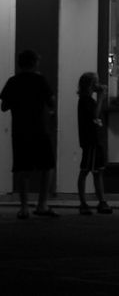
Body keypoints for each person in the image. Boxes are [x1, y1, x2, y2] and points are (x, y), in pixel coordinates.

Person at [1, 50, 58, 219]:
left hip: (20, 130)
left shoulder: (13, 81)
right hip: (39, 128)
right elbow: (51, 102)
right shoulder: (40, 80)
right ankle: (42, 204)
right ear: (34, 63)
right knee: (47, 166)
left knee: (22, 168)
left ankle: (24, 207)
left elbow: (4, 106)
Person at [77, 71, 113, 215]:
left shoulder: (87, 99)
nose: (99, 85)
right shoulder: (86, 100)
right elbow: (95, 115)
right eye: (96, 82)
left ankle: (101, 201)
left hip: (94, 141)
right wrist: (101, 98)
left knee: (97, 171)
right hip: (91, 141)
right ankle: (84, 202)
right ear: (91, 85)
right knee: (86, 171)